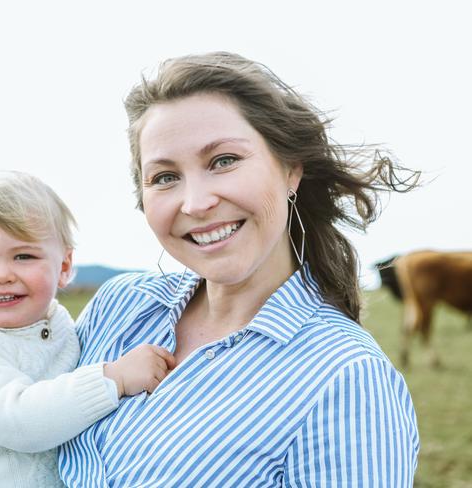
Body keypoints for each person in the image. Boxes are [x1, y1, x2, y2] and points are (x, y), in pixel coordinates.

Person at [60, 52, 420, 487]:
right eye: (164, 177)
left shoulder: (346, 377)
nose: (195, 203)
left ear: (291, 169)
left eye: (224, 161)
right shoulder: (119, 306)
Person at [0, 171, 175, 487]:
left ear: (65, 267)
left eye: (24, 256)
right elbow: (22, 421)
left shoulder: (61, 326)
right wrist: (113, 378)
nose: (1, 274)